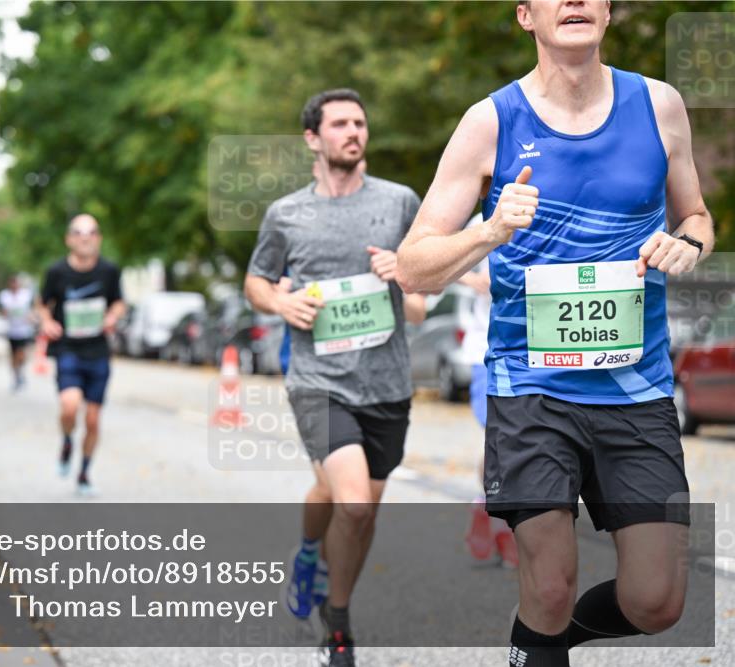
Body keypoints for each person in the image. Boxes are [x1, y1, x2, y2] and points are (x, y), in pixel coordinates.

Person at [396, 2, 713, 665]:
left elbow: (698, 217)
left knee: (657, 600)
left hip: (638, 390)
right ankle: (539, 634)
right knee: (548, 582)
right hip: (530, 388)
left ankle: (536, 645)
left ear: (609, 11)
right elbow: (412, 266)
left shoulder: (660, 106)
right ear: (525, 16)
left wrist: (688, 243)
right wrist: (489, 230)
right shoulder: (491, 122)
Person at [245, 88, 425, 666]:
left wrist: (404, 276)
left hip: (388, 384)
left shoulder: (399, 203)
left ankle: (312, 560)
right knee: (351, 504)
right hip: (317, 380)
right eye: (341, 123)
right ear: (312, 138)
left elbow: (423, 297)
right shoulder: (286, 214)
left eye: (360, 123)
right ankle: (339, 624)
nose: (354, 132)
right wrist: (279, 305)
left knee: (358, 505)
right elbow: (257, 280)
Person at [40, 214, 126, 497]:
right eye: (78, 232)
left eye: (91, 232)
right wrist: (46, 321)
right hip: (68, 348)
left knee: (92, 420)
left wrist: (113, 316)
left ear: (98, 238)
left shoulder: (109, 270)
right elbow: (42, 304)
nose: (85, 237)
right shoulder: (56, 272)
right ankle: (66, 440)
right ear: (69, 238)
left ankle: (84, 472)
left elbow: (119, 302)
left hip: (98, 351)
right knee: (69, 406)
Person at [456, 215, 518, 568]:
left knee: (518, 441)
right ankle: (491, 507)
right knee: (497, 437)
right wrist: (473, 278)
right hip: (487, 349)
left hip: (538, 350)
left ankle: (504, 517)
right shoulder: (485, 217)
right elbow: (442, 264)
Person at [0, 274, 36, 391]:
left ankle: (21, 370)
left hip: (24, 330)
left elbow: (33, 308)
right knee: (13, 355)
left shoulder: (26, 295)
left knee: (22, 353)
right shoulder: (4, 296)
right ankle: (16, 376)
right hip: (11, 330)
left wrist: (31, 317)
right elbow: (1, 310)